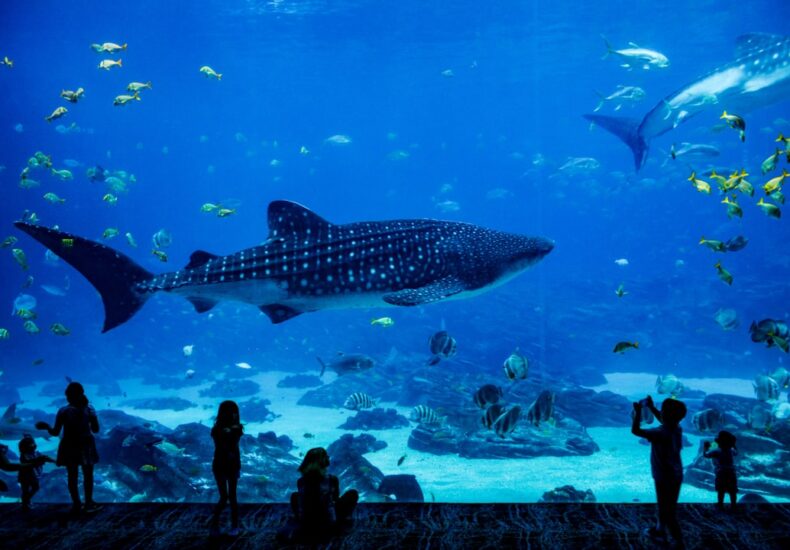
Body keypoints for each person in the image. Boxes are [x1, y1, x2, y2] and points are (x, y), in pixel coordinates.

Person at [36, 381, 101, 515]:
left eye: (68, 396)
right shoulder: (90, 409)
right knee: (88, 475)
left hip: (70, 445)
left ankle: (77, 504)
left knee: (73, 475)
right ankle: (88, 503)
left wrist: (46, 427)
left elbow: (55, 432)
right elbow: (96, 429)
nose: (67, 398)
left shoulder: (63, 410)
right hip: (86, 444)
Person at [632, 395, 687, 548]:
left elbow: (636, 430)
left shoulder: (659, 432)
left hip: (663, 475)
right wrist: (651, 407)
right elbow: (665, 420)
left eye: (662, 411)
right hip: (676, 473)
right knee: (666, 506)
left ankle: (678, 541)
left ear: (665, 415)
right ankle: (659, 530)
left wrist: (638, 412)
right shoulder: (677, 428)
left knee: (668, 511)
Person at [288, 447, 358, 540]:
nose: (328, 457)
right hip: (328, 523)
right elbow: (335, 499)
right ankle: (343, 522)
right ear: (323, 461)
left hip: (306, 524)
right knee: (352, 493)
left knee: (294, 495)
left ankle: (302, 522)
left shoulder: (301, 481)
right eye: (326, 456)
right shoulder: (332, 479)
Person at [209, 400, 243, 537]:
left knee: (231, 497)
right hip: (220, 464)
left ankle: (234, 526)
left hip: (232, 465)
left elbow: (234, 440)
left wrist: (230, 430)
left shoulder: (237, 429)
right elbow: (221, 442)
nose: (230, 414)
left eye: (232, 412)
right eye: (228, 412)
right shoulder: (217, 429)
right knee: (225, 497)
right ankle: (215, 525)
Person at [703, 430, 738, 510]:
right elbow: (736, 453)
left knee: (721, 490)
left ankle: (720, 505)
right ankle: (733, 505)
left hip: (721, 472)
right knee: (732, 490)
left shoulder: (717, 450)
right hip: (731, 472)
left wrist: (705, 448)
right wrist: (734, 444)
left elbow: (706, 455)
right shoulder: (731, 450)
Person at [18, 434, 55, 510]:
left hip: (34, 475)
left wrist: (54, 461)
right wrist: (40, 459)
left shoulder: (36, 453)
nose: (33, 445)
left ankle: (26, 501)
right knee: (25, 490)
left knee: (35, 487)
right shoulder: (24, 455)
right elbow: (29, 461)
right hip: (25, 475)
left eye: (33, 443)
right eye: (30, 444)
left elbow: (45, 458)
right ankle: (25, 503)